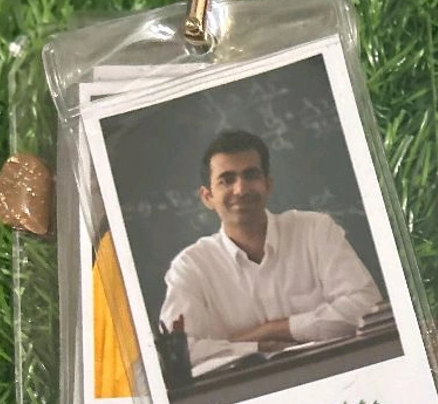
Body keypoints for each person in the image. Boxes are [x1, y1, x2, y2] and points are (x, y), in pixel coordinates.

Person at [160, 130, 384, 373]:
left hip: (340, 371)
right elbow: (177, 353)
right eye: (226, 180)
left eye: (251, 175)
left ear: (268, 184)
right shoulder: (190, 267)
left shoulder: (315, 230)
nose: (241, 189)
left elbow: (368, 307)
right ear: (207, 197)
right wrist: (256, 346)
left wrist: (272, 329)